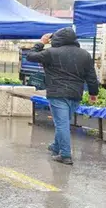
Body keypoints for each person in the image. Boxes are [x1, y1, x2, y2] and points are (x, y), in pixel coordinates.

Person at [26, 28, 99, 165]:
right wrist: (93, 93)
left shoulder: (51, 52)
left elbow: (30, 56)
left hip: (57, 93)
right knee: (63, 122)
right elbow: (91, 76)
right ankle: (56, 146)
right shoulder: (85, 54)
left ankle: (65, 155)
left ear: (57, 39)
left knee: (61, 124)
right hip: (75, 94)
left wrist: (41, 42)